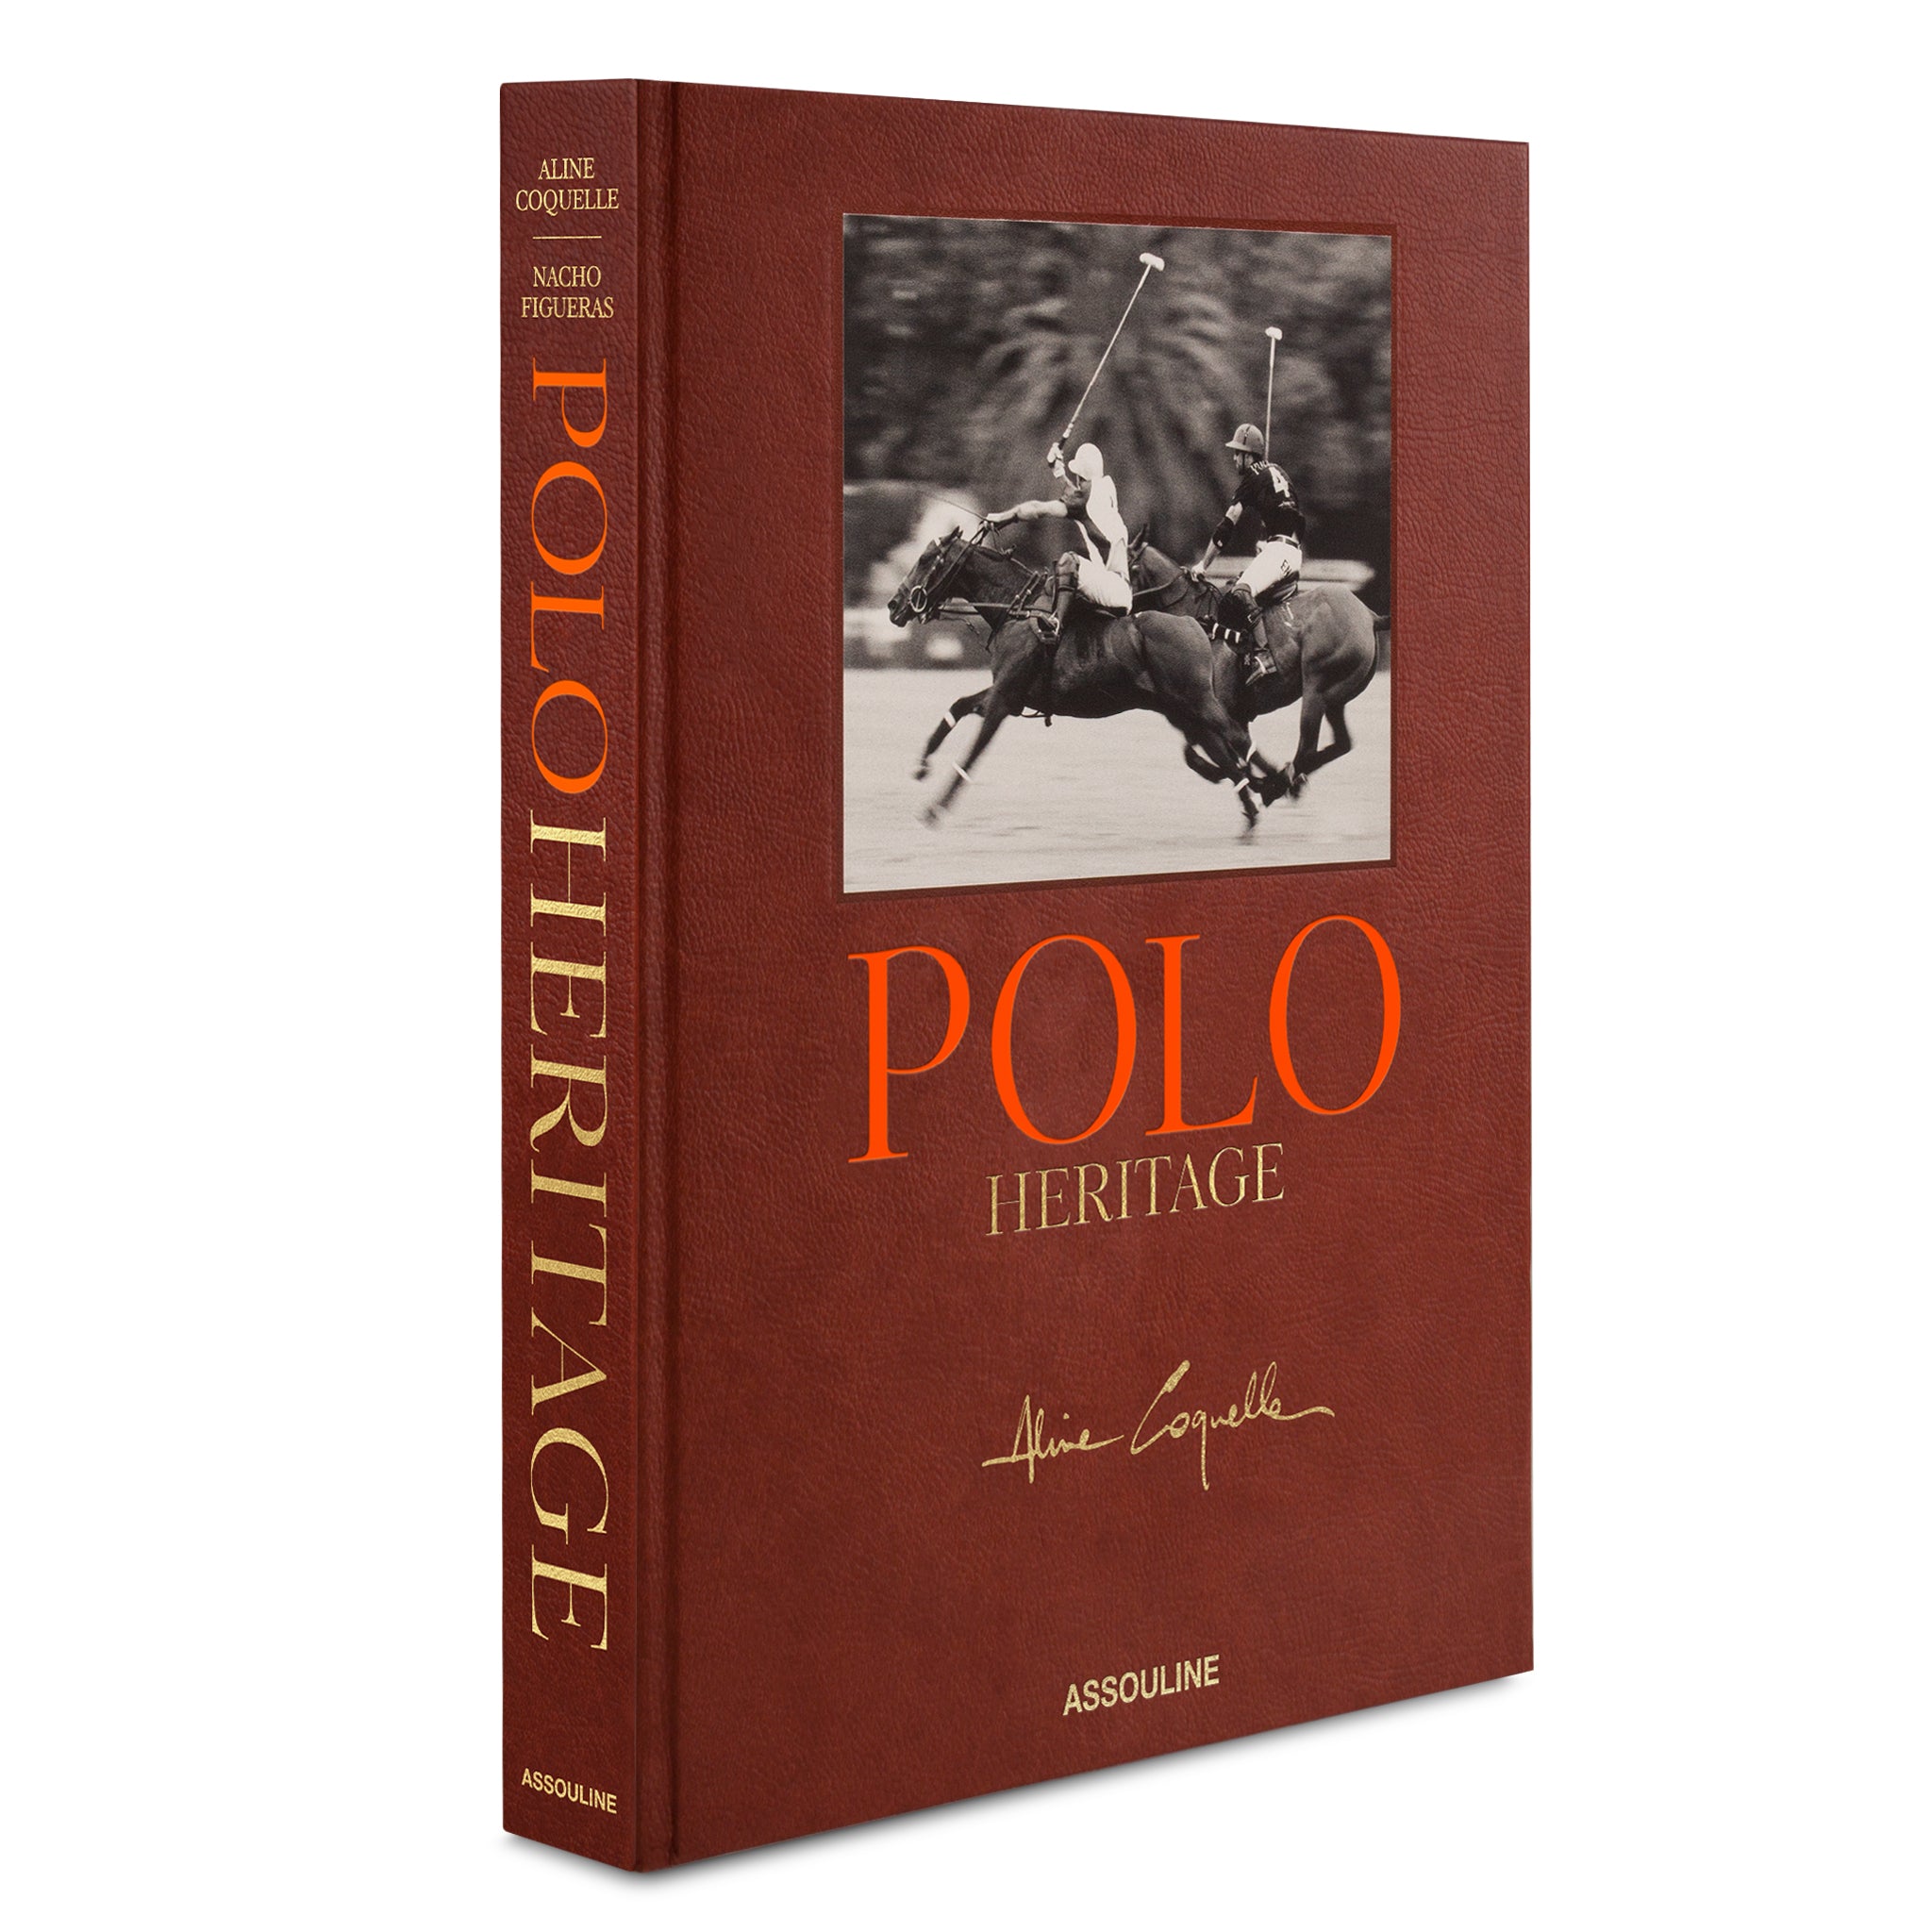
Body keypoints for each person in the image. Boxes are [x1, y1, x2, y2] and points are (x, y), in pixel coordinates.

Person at [985, 441, 1134, 665]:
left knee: (1068, 561)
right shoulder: (1105, 489)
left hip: (1112, 590)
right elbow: (1075, 495)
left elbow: (1037, 508)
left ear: (1079, 475)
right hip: (1120, 588)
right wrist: (1058, 471)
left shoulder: (1083, 500)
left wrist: (1003, 518)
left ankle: (1056, 623)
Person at [1197, 423, 1307, 682]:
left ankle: (1265, 655)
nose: (1234, 459)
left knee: (1240, 591)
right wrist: (1268, 542)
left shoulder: (1251, 478)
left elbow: (1227, 526)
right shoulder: (1279, 472)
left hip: (1280, 553)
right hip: (1290, 550)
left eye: (1238, 453)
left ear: (1249, 455)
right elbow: (1295, 518)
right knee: (1236, 590)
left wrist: (1203, 565)